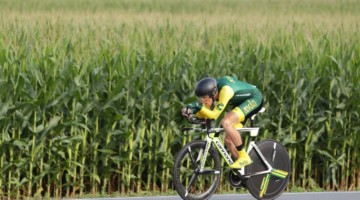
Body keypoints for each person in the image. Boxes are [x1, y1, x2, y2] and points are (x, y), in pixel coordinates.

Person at [182, 76, 263, 169]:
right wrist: (191, 111)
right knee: (228, 140)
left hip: (254, 98)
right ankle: (245, 170)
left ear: (212, 94)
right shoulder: (212, 91)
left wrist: (198, 106)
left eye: (204, 97)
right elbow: (205, 114)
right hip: (241, 103)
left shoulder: (225, 91)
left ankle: (244, 156)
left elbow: (214, 115)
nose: (202, 101)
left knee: (226, 122)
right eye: (200, 98)